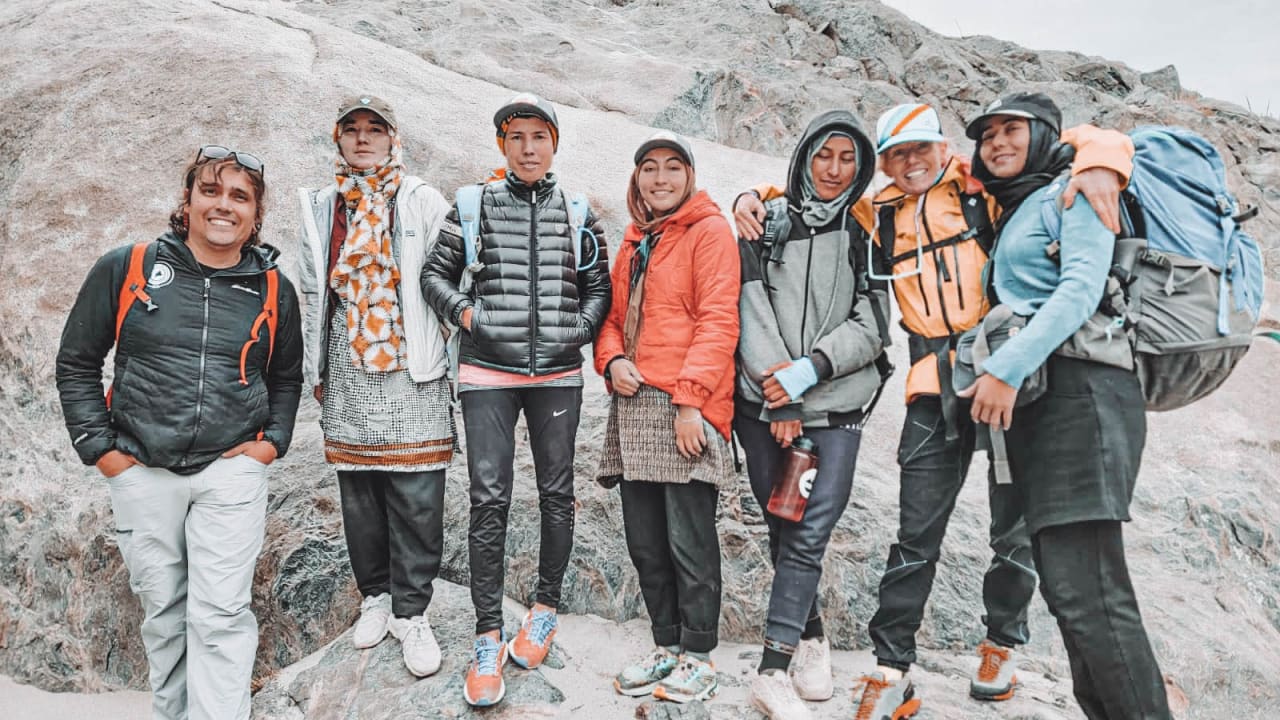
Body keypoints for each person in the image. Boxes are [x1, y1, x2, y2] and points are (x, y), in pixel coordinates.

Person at [734, 103, 1133, 718]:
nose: (912, 161)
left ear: (944, 149)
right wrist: (752, 195)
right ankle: (892, 664)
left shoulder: (982, 190)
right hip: (930, 382)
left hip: (1004, 373)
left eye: (922, 148)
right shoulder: (877, 210)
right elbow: (808, 193)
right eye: (898, 154)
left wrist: (1103, 160)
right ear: (885, 164)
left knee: (1013, 524)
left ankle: (1000, 644)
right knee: (915, 530)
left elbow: (1065, 142)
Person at [55, 147, 303, 720]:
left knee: (220, 615)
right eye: (210, 191)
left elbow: (286, 376)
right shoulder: (129, 267)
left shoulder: (272, 288)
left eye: (239, 196)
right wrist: (102, 452)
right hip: (141, 469)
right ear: (187, 201)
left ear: (256, 214)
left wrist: (271, 444)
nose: (223, 206)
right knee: (164, 614)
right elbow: (77, 362)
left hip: (230, 473)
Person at [960, 92, 1171, 720]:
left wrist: (1005, 368)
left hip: (1086, 398)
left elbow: (1081, 287)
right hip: (1048, 406)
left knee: (1094, 596)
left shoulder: (1074, 189)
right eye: (987, 135)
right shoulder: (1017, 205)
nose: (997, 143)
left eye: (1012, 130)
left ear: (1046, 134)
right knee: (1069, 595)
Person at [421, 92, 611, 708]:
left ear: (554, 144)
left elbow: (599, 285)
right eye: (517, 137)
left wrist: (579, 330)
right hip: (487, 373)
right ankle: (487, 636)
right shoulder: (472, 204)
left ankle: (545, 609)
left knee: (557, 493)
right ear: (502, 144)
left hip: (558, 374)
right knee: (488, 499)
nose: (528, 148)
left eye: (539, 137)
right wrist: (469, 316)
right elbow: (433, 275)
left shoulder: (578, 211)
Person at [733, 110, 889, 720]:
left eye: (847, 158)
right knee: (782, 524)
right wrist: (783, 395)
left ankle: (771, 671)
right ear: (804, 157)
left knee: (809, 529)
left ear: (862, 166)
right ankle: (812, 635)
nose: (834, 169)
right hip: (765, 406)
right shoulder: (766, 221)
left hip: (835, 405)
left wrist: (811, 370)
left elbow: (874, 323)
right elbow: (749, 305)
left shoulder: (866, 231)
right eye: (824, 154)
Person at [296, 96, 455, 677]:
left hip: (411, 357)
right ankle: (376, 597)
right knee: (359, 489)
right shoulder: (322, 205)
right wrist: (316, 369)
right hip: (347, 357)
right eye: (352, 130)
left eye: (375, 129)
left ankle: (412, 612)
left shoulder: (422, 199)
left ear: (394, 138)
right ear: (337, 139)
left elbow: (450, 278)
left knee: (417, 490)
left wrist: (451, 356)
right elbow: (313, 291)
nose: (363, 139)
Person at [594, 131, 740, 704]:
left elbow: (718, 320)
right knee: (647, 541)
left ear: (690, 175)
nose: (660, 178)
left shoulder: (709, 231)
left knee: (689, 540)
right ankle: (666, 645)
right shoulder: (636, 238)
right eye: (649, 168)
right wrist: (612, 361)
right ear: (637, 178)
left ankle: (699, 655)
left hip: (684, 406)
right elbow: (612, 318)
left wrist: (690, 402)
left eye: (672, 167)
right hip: (634, 405)